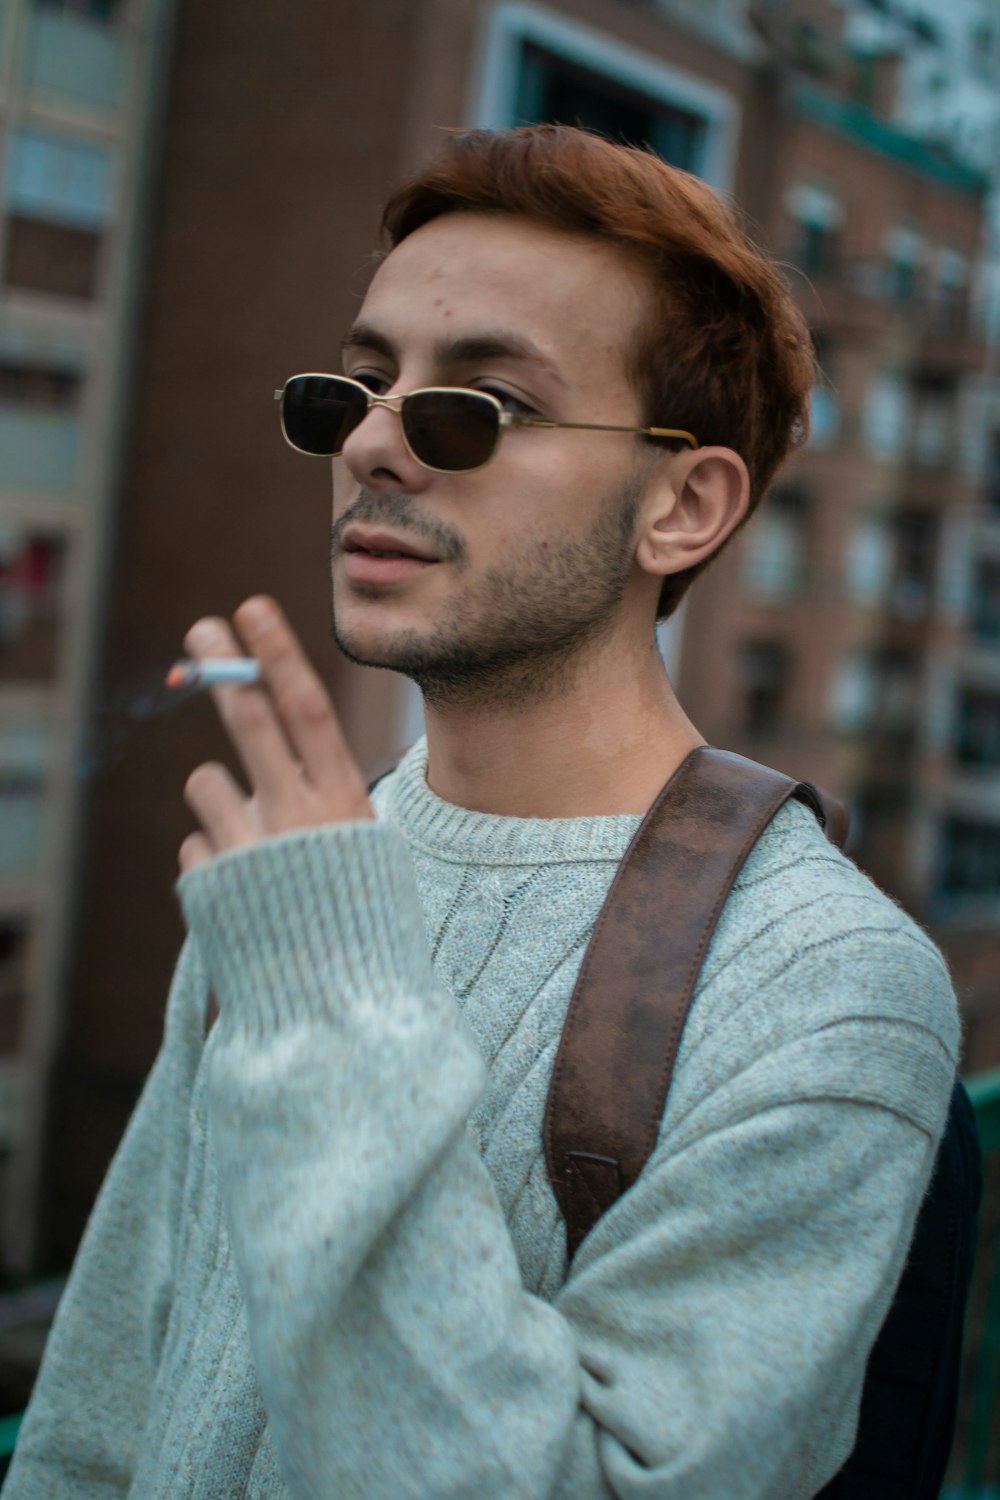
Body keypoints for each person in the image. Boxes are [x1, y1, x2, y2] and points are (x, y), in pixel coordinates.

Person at [4, 125, 958, 1500]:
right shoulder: (311, 860)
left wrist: (328, 1002)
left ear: (683, 507)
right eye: (359, 387)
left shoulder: (825, 983)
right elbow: (103, 1415)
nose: (378, 446)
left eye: (479, 408)